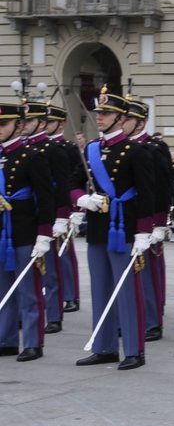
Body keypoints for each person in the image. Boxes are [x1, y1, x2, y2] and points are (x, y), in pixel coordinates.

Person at [74, 88, 161, 371]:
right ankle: (104, 347)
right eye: (98, 113)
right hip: (99, 227)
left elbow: (148, 194)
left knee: (127, 291)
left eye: (106, 113)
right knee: (100, 289)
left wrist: (144, 233)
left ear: (121, 118)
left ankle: (135, 350)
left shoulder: (138, 151)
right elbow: (73, 183)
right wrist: (81, 199)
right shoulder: (91, 150)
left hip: (125, 228)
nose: (100, 118)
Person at [0, 101, 56, 361]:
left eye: (3, 124)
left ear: (19, 126)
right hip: (2, 233)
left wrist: (44, 234)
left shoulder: (32, 155)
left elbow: (46, 198)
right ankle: (7, 339)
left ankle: (33, 342)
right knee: (3, 288)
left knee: (28, 289)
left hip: (24, 231)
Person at [122, 98, 172, 343]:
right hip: (126, 218)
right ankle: (132, 316)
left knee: (148, 272)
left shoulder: (154, 147)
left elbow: (162, 187)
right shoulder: (120, 148)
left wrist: (160, 222)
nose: (123, 123)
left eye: (128, 119)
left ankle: (152, 322)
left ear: (140, 122)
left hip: (149, 218)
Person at [41, 105, 85, 318]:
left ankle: (70, 295)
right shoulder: (38, 147)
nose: (46, 126)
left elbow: (73, 181)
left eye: (50, 122)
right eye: (45, 122)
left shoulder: (69, 148)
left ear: (62, 123)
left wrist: (73, 211)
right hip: (43, 206)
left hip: (63, 206)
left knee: (64, 254)